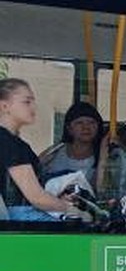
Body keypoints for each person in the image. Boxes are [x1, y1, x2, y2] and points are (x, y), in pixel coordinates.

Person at [0, 79, 89, 222]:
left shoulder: (11, 141)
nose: (33, 107)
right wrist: (75, 211)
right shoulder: (10, 144)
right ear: (4, 106)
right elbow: (36, 197)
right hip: (20, 220)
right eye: (26, 102)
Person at [40, 101, 104, 186]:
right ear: (69, 128)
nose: (86, 127)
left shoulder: (105, 155)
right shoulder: (55, 153)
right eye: (79, 123)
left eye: (91, 122)